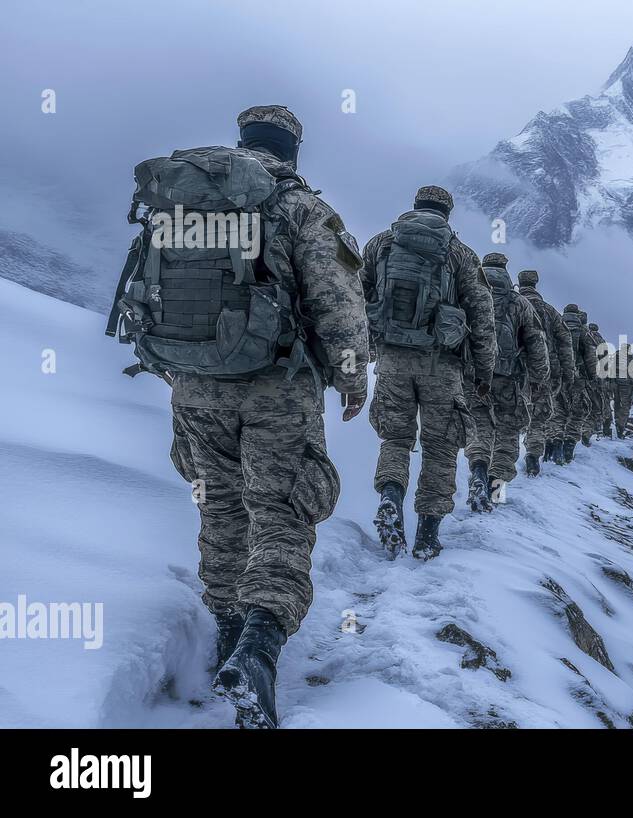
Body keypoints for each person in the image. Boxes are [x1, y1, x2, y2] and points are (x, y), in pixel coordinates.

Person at [110, 105, 371, 728]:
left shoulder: (180, 198)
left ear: (244, 140)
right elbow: (339, 302)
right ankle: (257, 648)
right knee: (280, 510)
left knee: (220, 506)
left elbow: (145, 291)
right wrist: (352, 376)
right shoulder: (299, 206)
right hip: (277, 385)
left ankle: (228, 633)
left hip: (194, 387)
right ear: (292, 147)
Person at [361, 185, 496, 560]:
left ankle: (390, 496)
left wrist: (359, 356)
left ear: (415, 206)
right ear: (448, 213)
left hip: (391, 362)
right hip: (442, 365)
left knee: (395, 440)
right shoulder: (460, 253)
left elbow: (356, 299)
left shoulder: (380, 245)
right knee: (441, 448)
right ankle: (428, 534)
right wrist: (482, 374)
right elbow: (483, 319)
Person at [463, 253, 549, 509]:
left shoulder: (467, 294)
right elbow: (536, 344)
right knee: (507, 435)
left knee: (479, 428)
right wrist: (539, 379)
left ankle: (478, 471)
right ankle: (495, 491)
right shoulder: (519, 303)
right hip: (509, 380)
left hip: (473, 377)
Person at [517, 269, 576, 476]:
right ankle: (533, 454)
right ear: (536, 284)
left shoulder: (509, 303)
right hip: (545, 373)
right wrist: (568, 375)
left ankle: (491, 464)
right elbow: (565, 345)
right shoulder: (550, 311)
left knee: (504, 415)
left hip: (510, 372)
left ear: (519, 282)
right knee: (539, 416)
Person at [559, 304, 599, 464]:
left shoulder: (556, 323)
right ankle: (568, 446)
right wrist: (592, 377)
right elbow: (591, 357)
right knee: (578, 410)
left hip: (556, 376)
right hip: (577, 377)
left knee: (557, 410)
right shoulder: (584, 333)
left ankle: (552, 445)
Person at [612, 342, 633, 437]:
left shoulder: (614, 358)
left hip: (615, 385)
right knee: (625, 406)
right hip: (627, 386)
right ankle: (621, 426)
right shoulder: (632, 360)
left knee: (617, 404)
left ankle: (617, 422)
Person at [587, 322, 614, 439]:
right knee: (602, 400)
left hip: (587, 374)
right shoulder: (601, 341)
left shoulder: (586, 337)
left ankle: (593, 428)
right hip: (600, 375)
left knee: (590, 401)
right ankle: (605, 428)